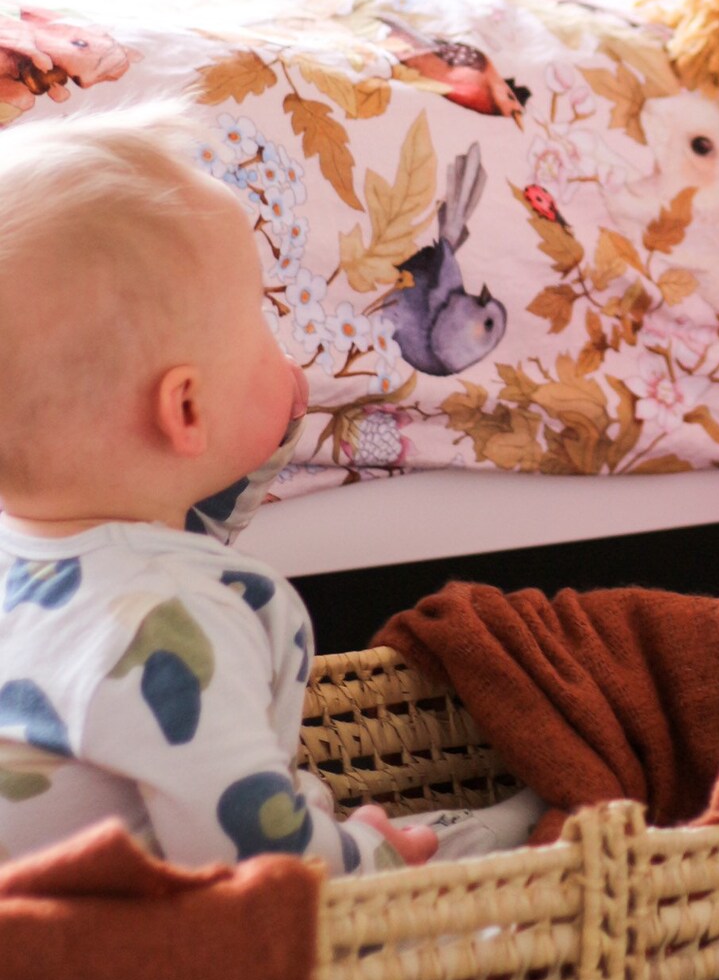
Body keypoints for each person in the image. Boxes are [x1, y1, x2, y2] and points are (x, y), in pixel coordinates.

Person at [0, 106, 539, 873]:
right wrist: (374, 857)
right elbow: (257, 858)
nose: (281, 344)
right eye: (257, 315)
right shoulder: (168, 627)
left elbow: (181, 535)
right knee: (467, 855)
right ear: (186, 407)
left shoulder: (45, 555)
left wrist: (260, 434)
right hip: (124, 949)